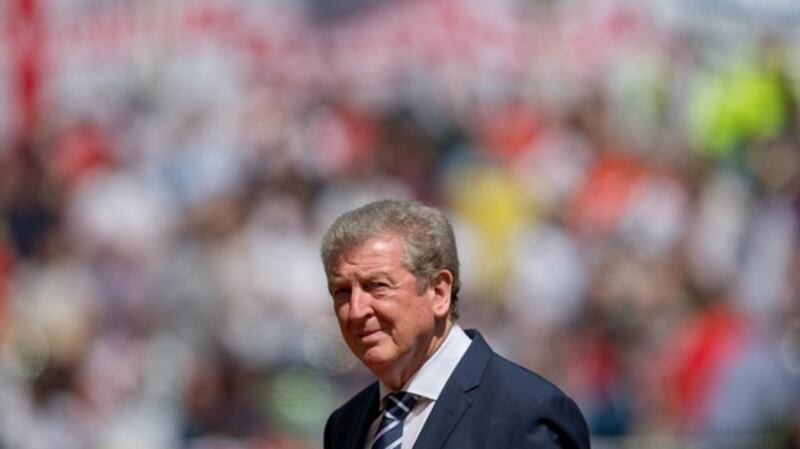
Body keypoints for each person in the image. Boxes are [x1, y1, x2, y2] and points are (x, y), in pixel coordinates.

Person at [321, 199, 590, 449]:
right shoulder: (346, 425)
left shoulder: (526, 414)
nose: (356, 311)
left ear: (439, 291)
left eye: (377, 286)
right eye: (342, 291)